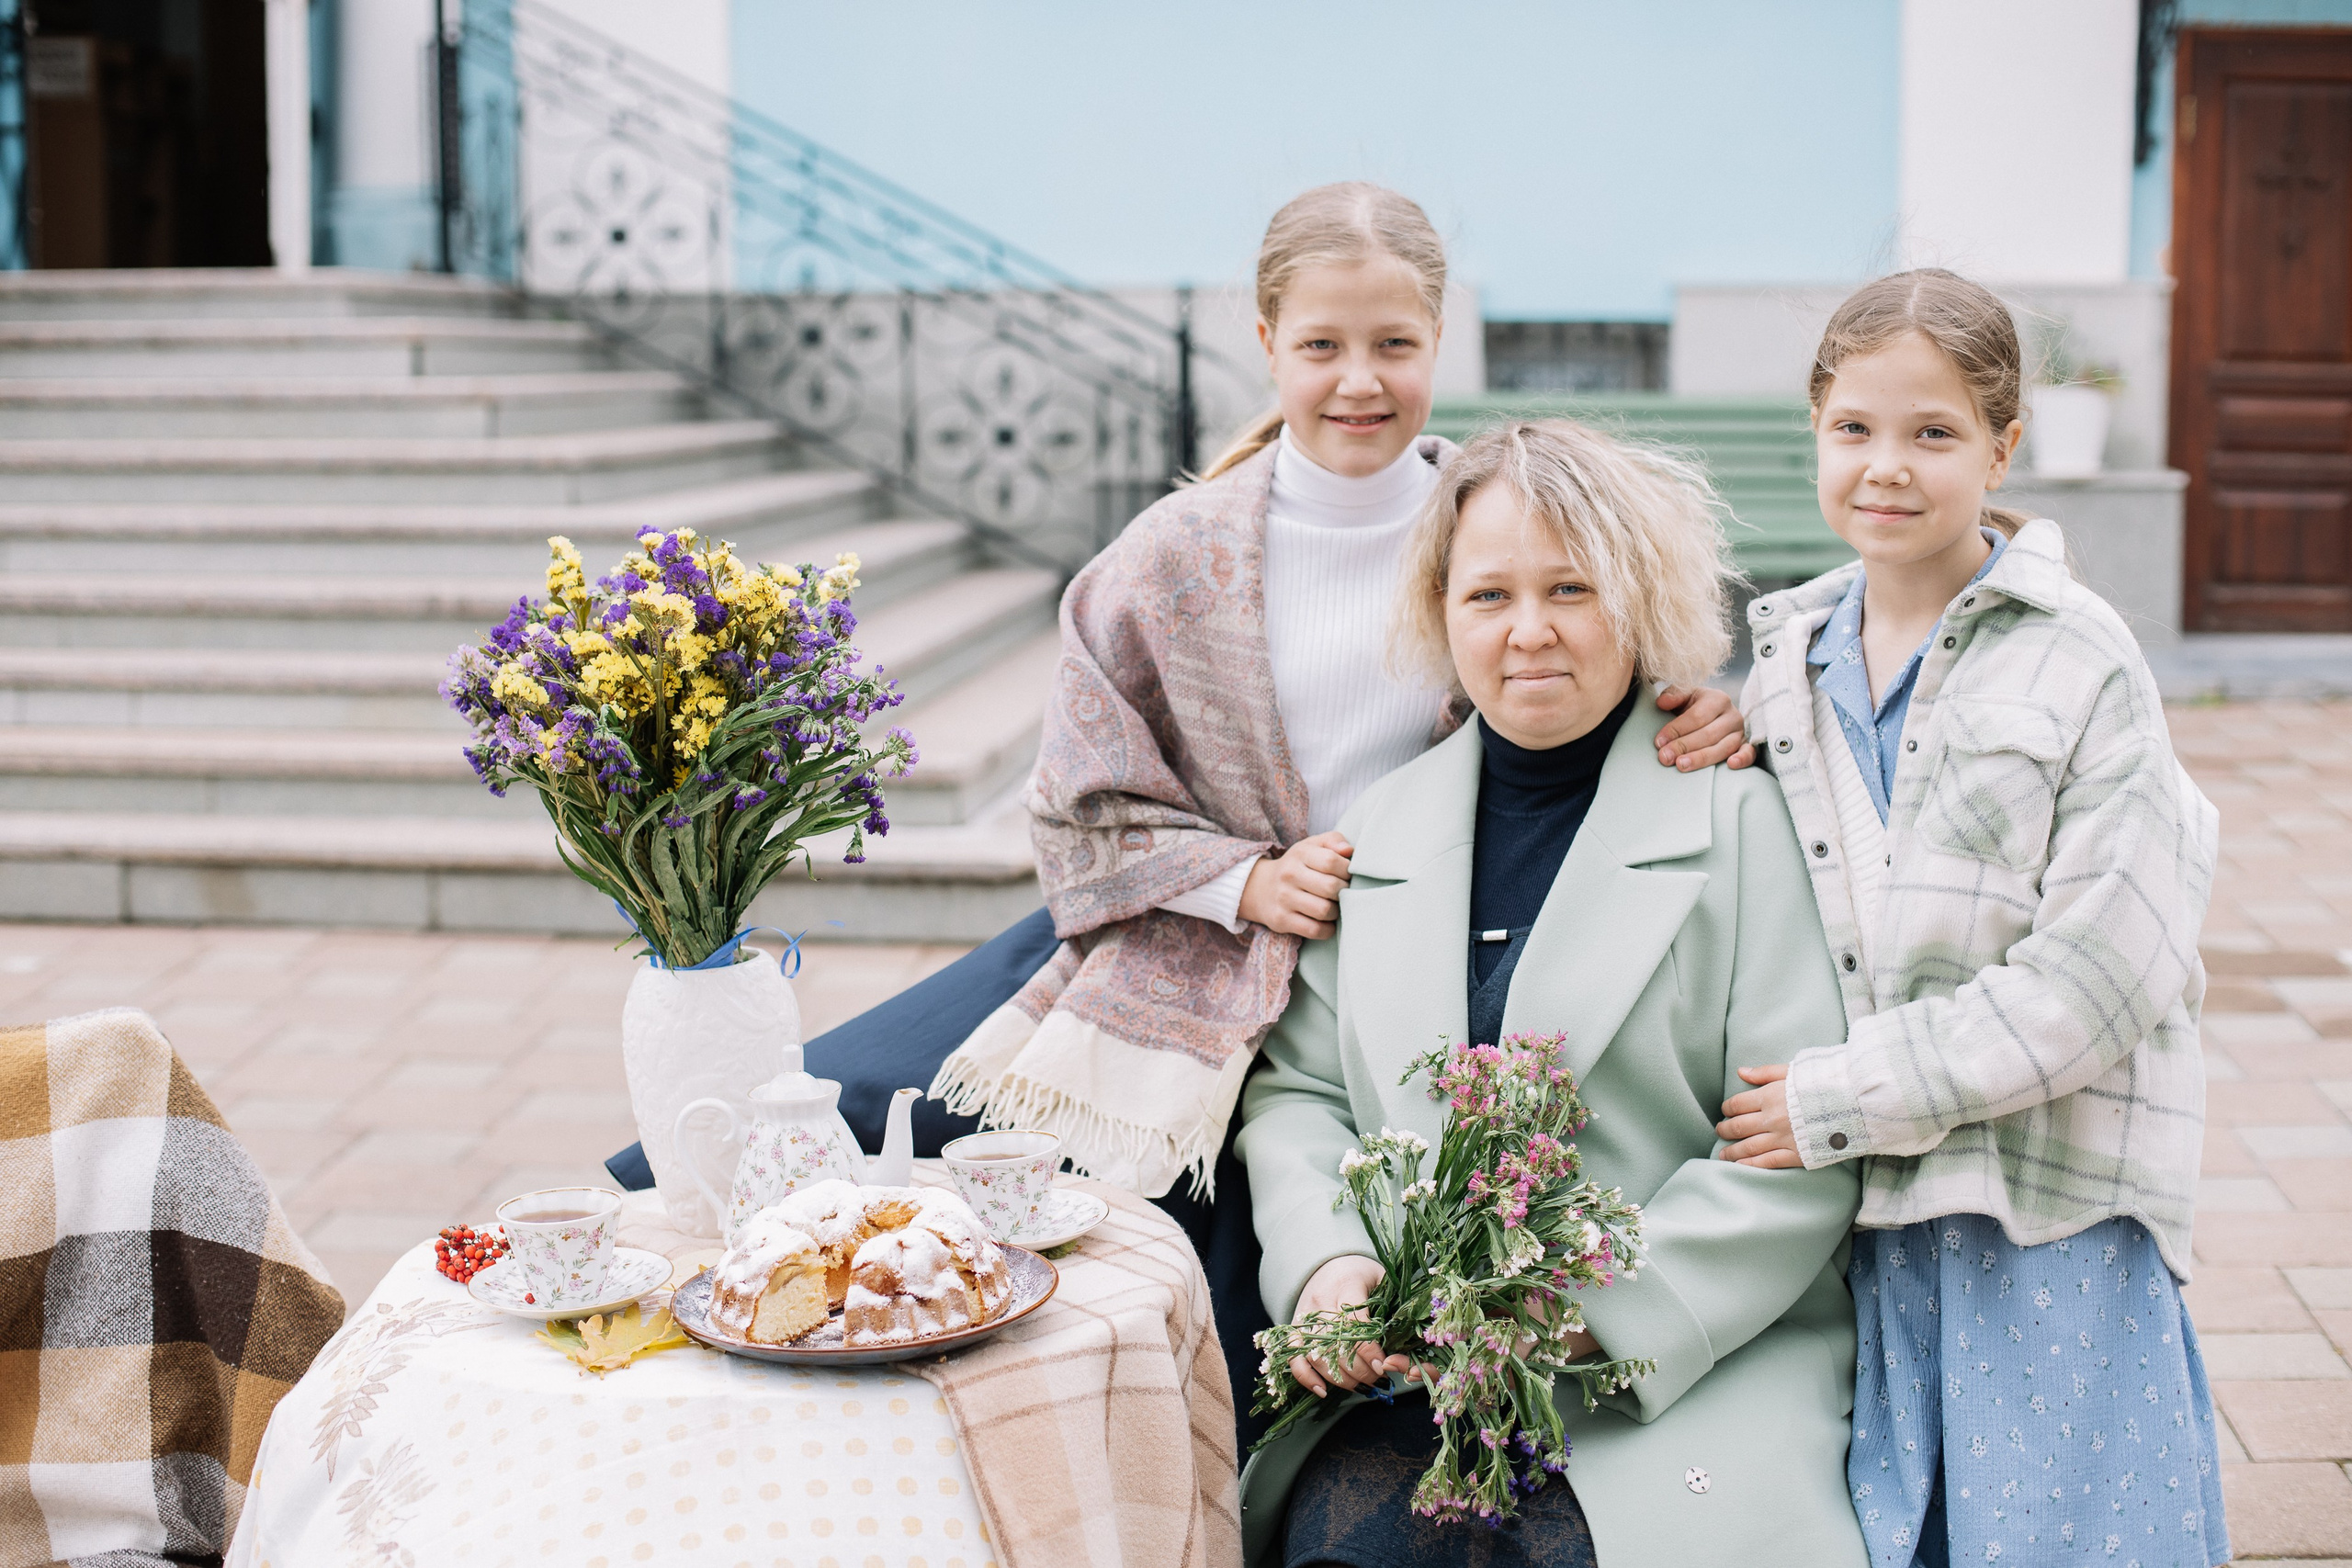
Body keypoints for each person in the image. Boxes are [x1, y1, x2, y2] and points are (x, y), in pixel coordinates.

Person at [609, 184, 1752, 1438]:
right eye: (1320, 345)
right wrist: (1244, 880)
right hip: (1190, 937)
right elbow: (1077, 802)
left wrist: (1695, 708)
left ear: (1441, 338)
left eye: (1394, 344)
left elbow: (1593, 657)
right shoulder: (1174, 552)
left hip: (1399, 971)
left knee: (1247, 1301)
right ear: (1265, 342)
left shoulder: (1495, 526)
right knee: (846, 1120)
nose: (1358, 380)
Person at [1238, 419, 1867, 1568]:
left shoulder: (1743, 820)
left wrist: (1580, 1313)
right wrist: (1327, 1263)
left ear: (1638, 598)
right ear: (1440, 613)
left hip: (1680, 1366)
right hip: (1415, 1373)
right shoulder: (1381, 827)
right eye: (1488, 596)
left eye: (1570, 588)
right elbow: (1300, 1095)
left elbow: (1794, 1152)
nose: (1528, 631)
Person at [1718, 269, 2230, 1568]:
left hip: (2051, 1209)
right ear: (1816, 429)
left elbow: (2106, 973)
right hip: (1874, 1218)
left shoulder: (2082, 655)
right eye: (1854, 427)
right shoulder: (1783, 665)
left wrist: (1852, 1091)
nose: (1886, 465)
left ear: (2003, 448)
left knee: (2075, 1535)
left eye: (1933, 432)